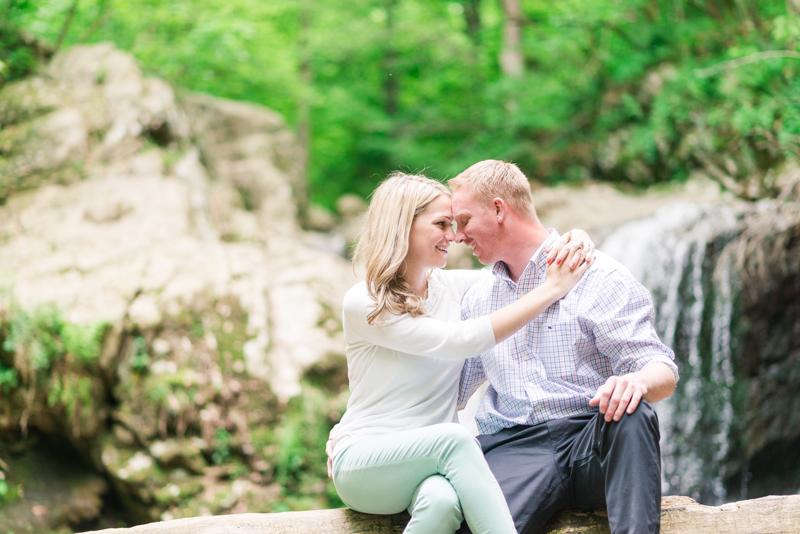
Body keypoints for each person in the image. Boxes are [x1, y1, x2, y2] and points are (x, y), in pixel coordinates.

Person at [327, 172, 596, 534]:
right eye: (441, 224)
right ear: (401, 226)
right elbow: (463, 340)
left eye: (454, 224)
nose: (454, 236)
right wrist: (551, 290)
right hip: (365, 461)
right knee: (455, 439)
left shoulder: (455, 289)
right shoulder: (365, 302)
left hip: (429, 464)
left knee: (442, 505)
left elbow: (524, 269)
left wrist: (571, 239)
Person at [449, 160, 679, 534]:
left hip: (592, 443)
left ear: (498, 209)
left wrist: (637, 382)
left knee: (633, 412)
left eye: (463, 221)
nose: (458, 235)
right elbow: (447, 391)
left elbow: (661, 370)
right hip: (513, 448)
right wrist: (359, 430)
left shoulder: (601, 276)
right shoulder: (478, 298)